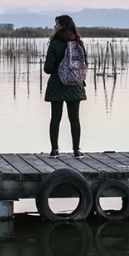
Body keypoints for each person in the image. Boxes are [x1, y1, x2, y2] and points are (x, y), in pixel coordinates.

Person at [44, 13, 87, 154]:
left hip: (57, 84)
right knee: (74, 118)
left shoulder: (55, 44)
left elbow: (48, 69)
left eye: (56, 24)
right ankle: (76, 150)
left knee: (55, 118)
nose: (54, 26)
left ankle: (54, 150)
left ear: (62, 26)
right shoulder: (78, 43)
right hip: (76, 84)